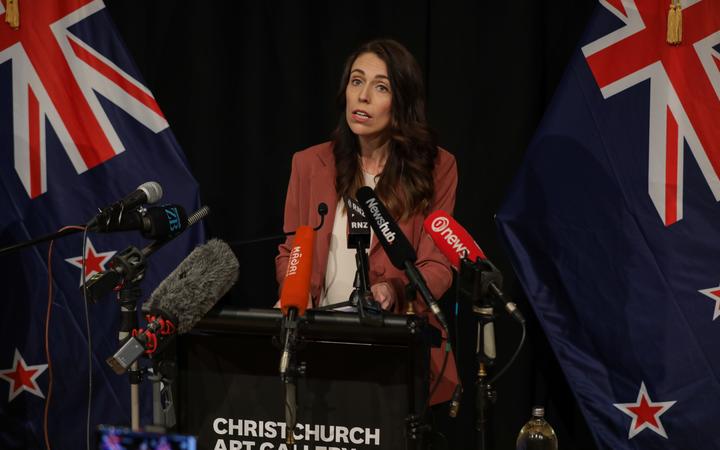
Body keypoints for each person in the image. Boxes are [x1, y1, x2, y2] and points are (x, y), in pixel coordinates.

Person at [275, 38, 458, 404]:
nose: (362, 96)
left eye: (381, 87)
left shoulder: (436, 167)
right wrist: (294, 291)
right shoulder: (309, 164)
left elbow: (438, 265)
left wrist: (395, 289)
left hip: (392, 352)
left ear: (402, 101)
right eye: (356, 81)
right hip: (319, 346)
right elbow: (290, 251)